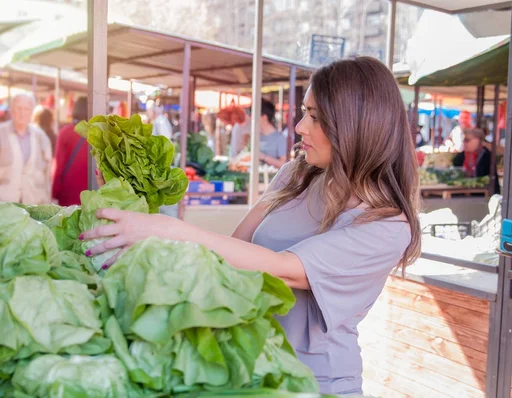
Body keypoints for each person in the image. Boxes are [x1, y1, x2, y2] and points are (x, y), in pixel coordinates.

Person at [79, 57, 420, 395]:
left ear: (357, 125)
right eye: (304, 112)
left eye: (314, 117)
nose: (300, 127)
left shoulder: (387, 226)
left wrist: (168, 229)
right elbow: (228, 255)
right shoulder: (295, 175)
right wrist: (132, 197)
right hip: (252, 365)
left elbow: (284, 269)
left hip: (315, 382)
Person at [0, 93, 52, 204]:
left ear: (31, 112)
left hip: (33, 204)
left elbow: (47, 173)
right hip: (3, 205)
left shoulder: (41, 137)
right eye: (18, 108)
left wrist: (47, 201)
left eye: (26, 109)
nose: (22, 113)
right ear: (11, 110)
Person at [52, 97, 89, 206]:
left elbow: (59, 165)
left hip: (68, 191)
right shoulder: (99, 134)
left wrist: (54, 192)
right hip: (92, 191)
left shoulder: (65, 133)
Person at [453, 128, 500, 193]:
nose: (464, 143)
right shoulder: (460, 156)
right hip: (462, 195)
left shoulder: (487, 156)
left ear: (478, 140)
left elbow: (492, 182)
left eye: (467, 140)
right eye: (464, 140)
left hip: (482, 195)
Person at [258, 99, 287, 168]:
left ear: (264, 117)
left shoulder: (280, 137)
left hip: (272, 177)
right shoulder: (256, 135)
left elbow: (283, 164)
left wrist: (264, 157)